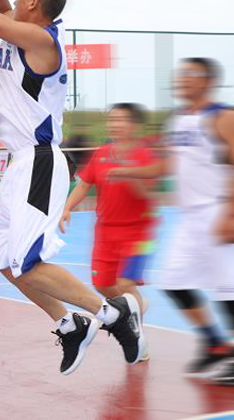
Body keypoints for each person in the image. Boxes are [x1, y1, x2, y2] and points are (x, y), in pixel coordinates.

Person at [0, 0, 145, 375]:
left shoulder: (42, 42)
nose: (12, 1)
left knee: (29, 263)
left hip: (39, 161)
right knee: (9, 265)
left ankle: (112, 313)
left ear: (33, 4)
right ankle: (70, 325)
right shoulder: (23, 33)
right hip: (20, 164)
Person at [109, 58, 234, 384]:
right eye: (181, 73)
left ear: (208, 80)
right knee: (173, 282)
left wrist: (230, 213)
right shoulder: (177, 119)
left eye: (191, 74)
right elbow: (167, 166)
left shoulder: (223, 117)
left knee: (229, 289)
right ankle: (215, 343)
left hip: (219, 211)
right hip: (189, 218)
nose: (182, 79)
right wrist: (129, 170)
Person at [60, 103, 156, 360]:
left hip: (138, 233)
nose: (115, 124)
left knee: (125, 283)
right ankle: (134, 305)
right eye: (112, 120)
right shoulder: (101, 154)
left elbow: (147, 194)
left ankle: (137, 337)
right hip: (105, 232)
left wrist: (129, 174)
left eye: (121, 120)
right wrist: (67, 207)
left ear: (134, 125)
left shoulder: (144, 156)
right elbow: (84, 185)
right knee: (102, 283)